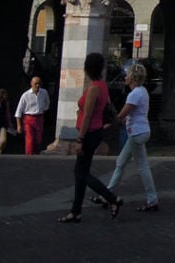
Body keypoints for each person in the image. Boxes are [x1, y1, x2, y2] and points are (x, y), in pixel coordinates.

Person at [58, 52, 122, 223]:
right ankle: (76, 211)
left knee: (82, 173)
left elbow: (87, 115)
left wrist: (79, 139)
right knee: (81, 172)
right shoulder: (102, 85)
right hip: (96, 131)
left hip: (89, 134)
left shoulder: (94, 88)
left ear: (87, 68)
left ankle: (111, 198)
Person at [93, 63, 159, 213]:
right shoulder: (143, 92)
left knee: (137, 166)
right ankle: (108, 195)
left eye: (128, 75)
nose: (125, 77)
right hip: (140, 132)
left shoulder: (134, 94)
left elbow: (122, 114)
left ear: (133, 78)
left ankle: (150, 199)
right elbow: (127, 115)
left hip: (137, 133)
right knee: (123, 163)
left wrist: (108, 124)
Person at [14, 76, 50, 155]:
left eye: (39, 83)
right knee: (29, 139)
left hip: (39, 118)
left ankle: (36, 154)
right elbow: (18, 111)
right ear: (31, 84)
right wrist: (19, 125)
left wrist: (42, 109)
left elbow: (47, 103)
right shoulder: (25, 95)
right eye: (35, 84)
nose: (37, 85)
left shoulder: (44, 92)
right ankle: (29, 156)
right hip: (28, 119)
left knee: (38, 139)